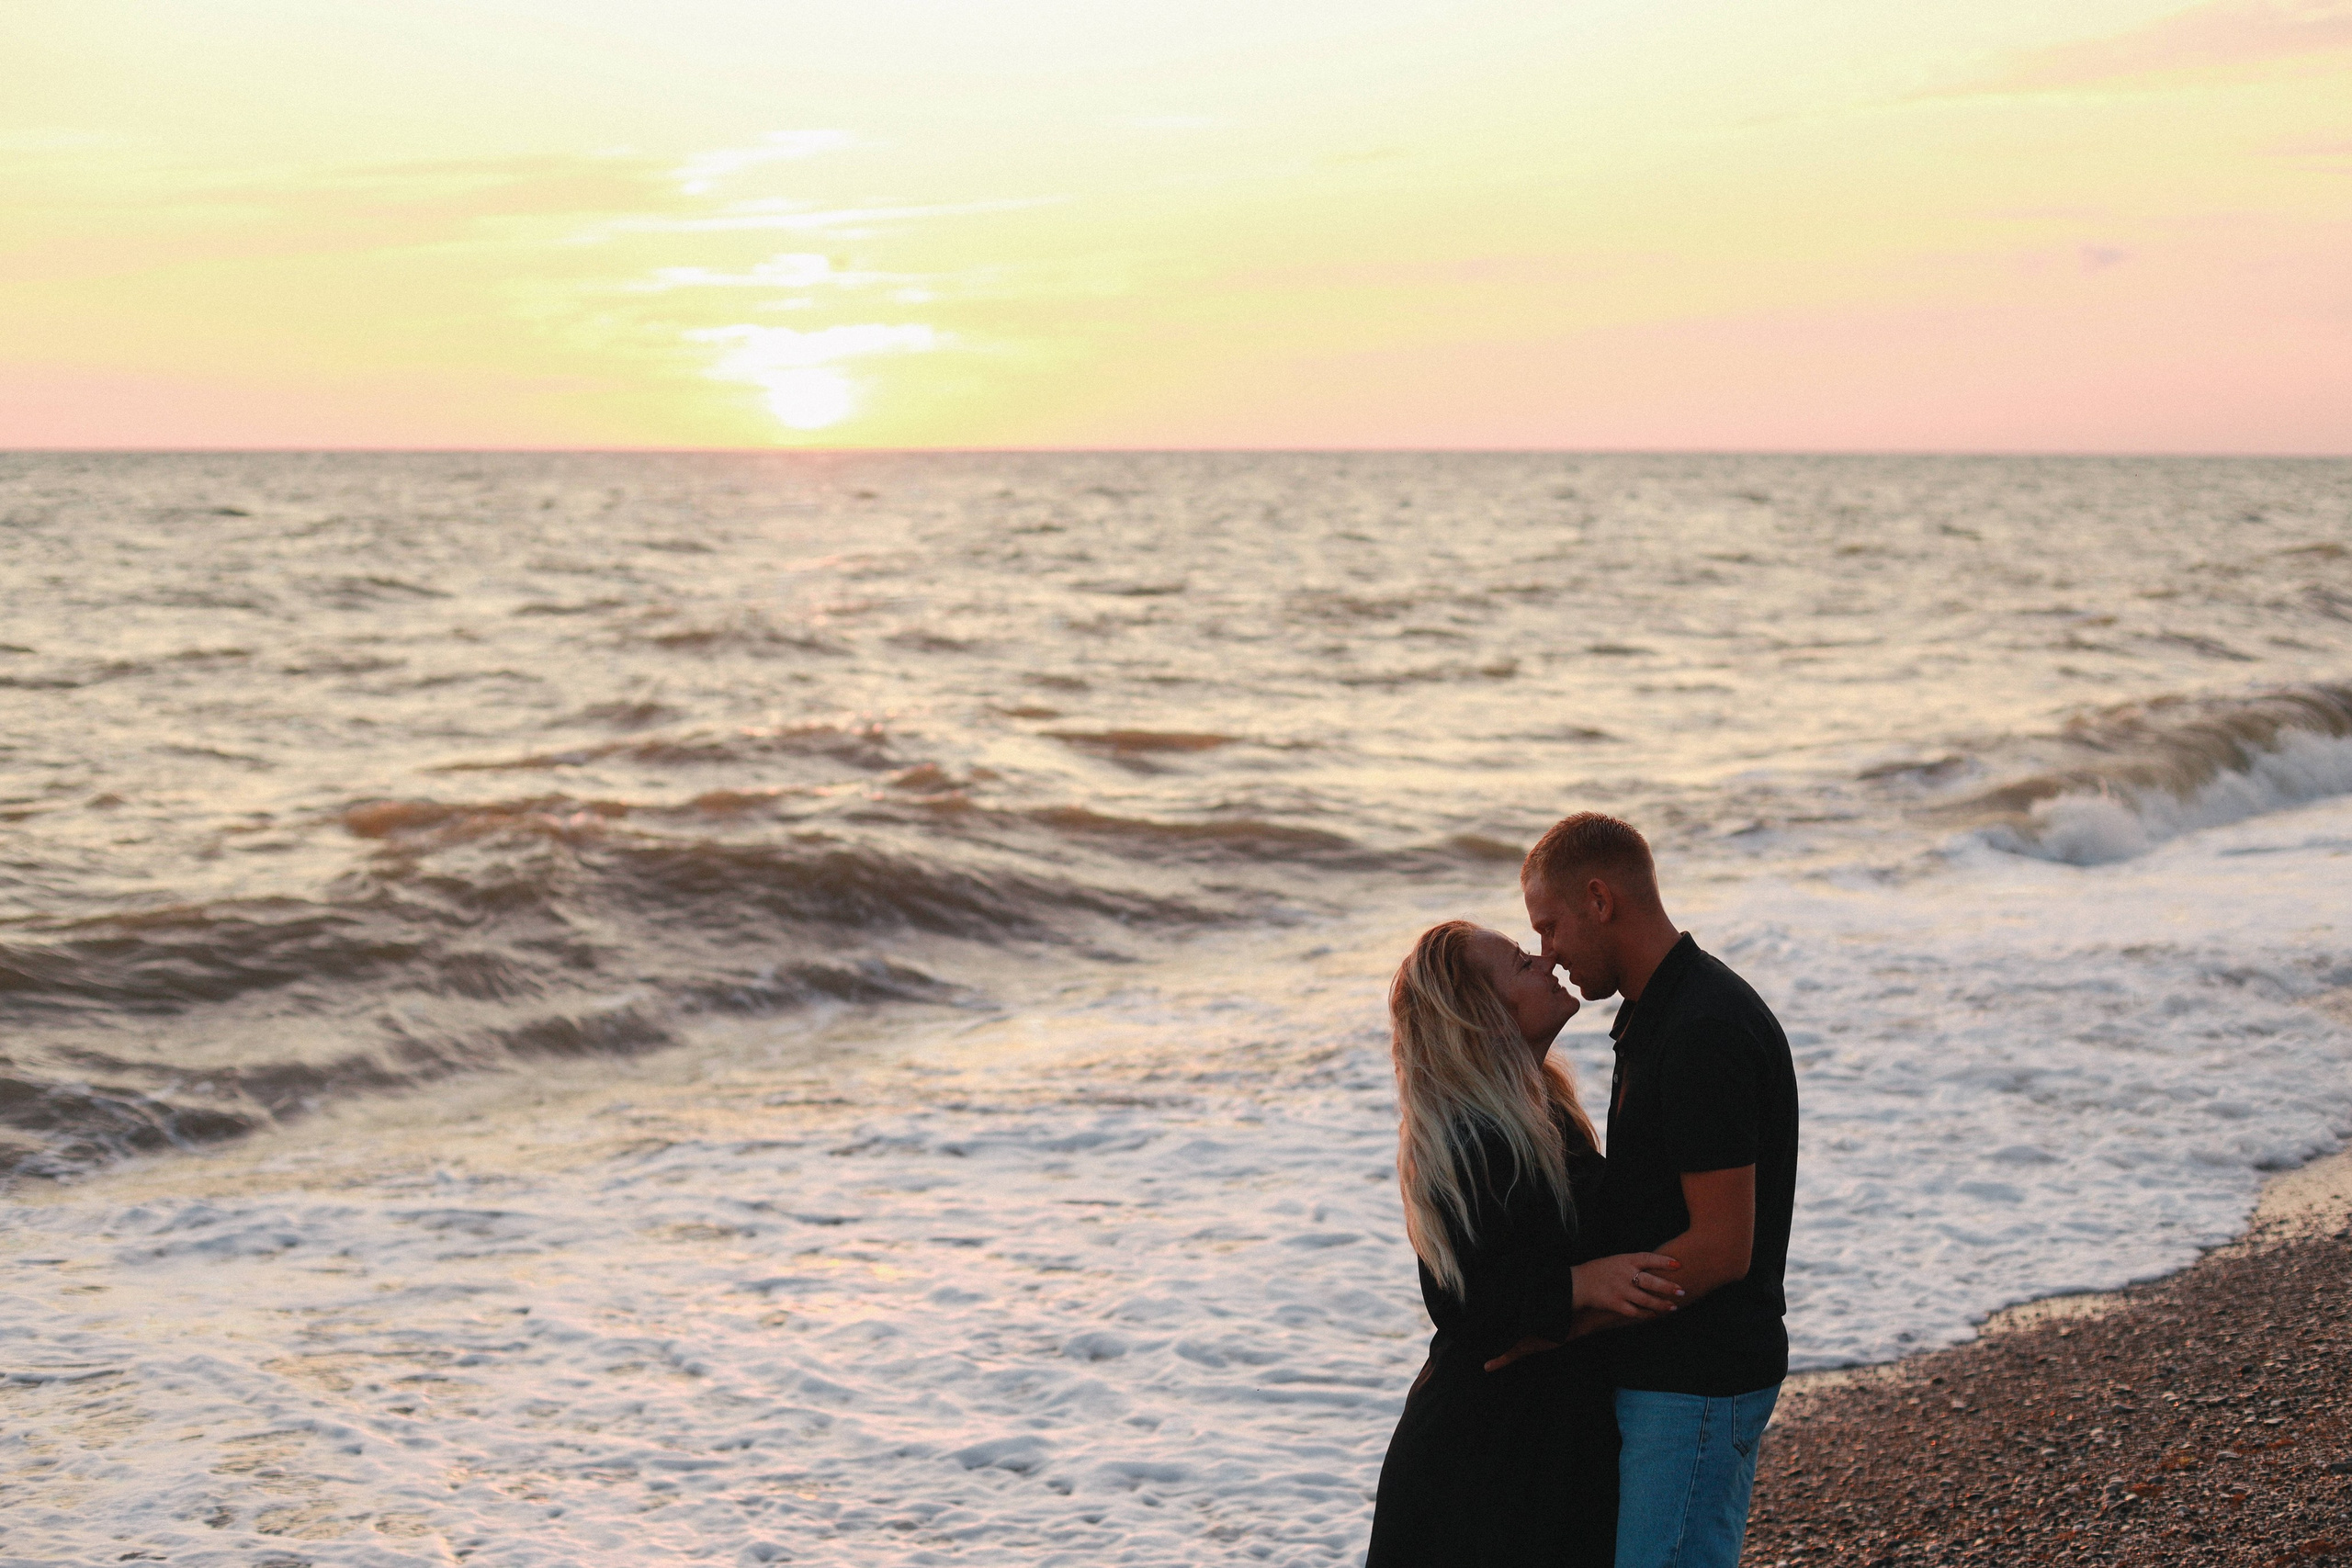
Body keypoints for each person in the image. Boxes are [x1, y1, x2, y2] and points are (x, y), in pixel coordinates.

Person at [1517, 812, 1801, 1568]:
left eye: (1551, 926)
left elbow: (1719, 1245)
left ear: (1600, 900)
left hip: (1698, 1382)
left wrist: (1561, 1327)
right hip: (1679, 1376)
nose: (1548, 955)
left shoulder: (1702, 1027)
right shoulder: (1660, 1011)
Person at [1366, 919, 1687, 1568]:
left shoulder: (1543, 1110)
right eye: (1520, 962)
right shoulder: (1472, 1137)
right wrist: (1583, 1283)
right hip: (1477, 1468)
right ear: (1483, 1017)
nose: (1545, 960)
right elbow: (1465, 1299)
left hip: (1534, 1446)